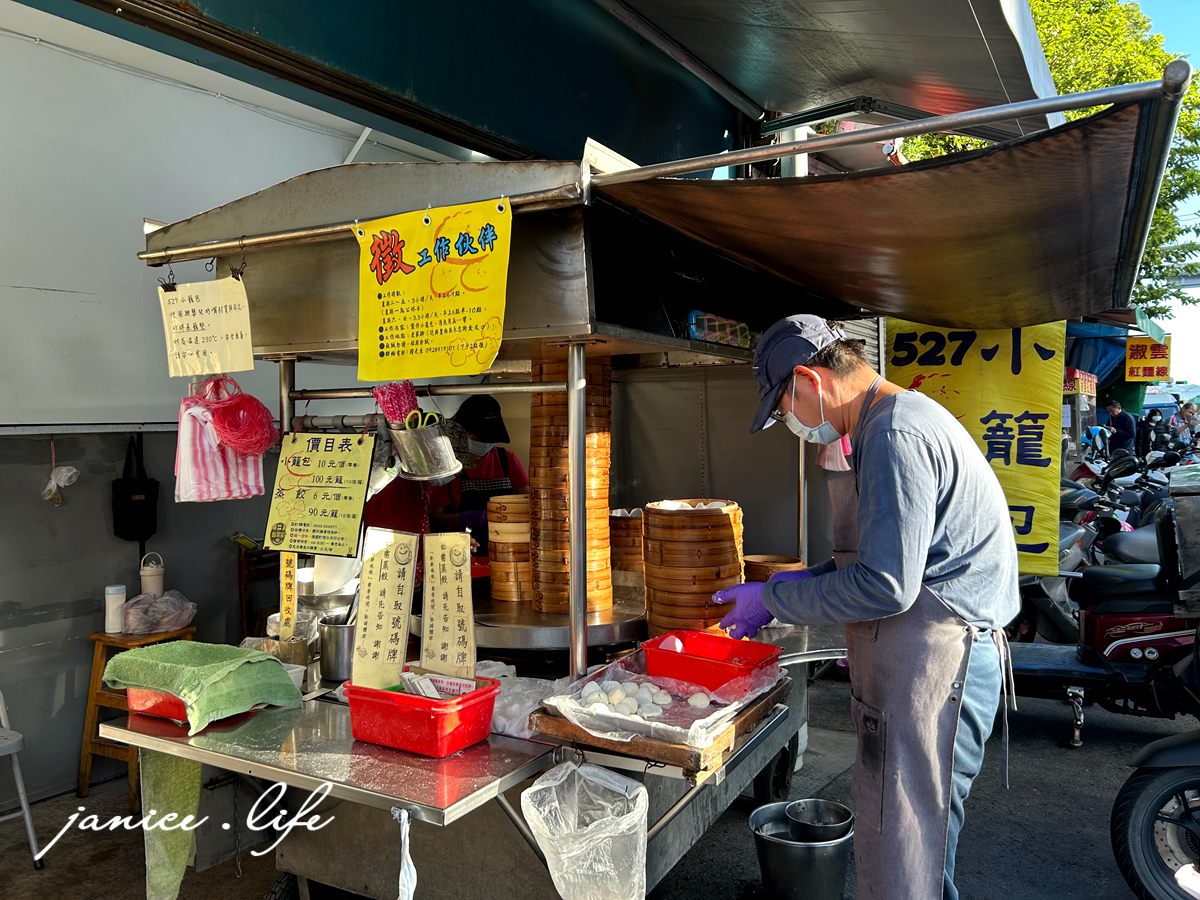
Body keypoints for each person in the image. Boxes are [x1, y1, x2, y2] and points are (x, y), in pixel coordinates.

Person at [712, 315, 1018, 900]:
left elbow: (886, 585)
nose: (791, 425)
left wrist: (773, 596)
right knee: (915, 837)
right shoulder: (894, 419)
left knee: (915, 846)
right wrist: (806, 580)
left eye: (783, 410)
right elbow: (878, 559)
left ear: (809, 379)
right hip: (928, 658)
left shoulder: (895, 434)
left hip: (940, 665)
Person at [430, 394, 528, 551]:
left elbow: (527, 505)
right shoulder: (448, 467)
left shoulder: (507, 460)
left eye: (489, 438)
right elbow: (434, 520)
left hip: (508, 552)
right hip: (463, 553)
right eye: (479, 438)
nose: (485, 444)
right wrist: (466, 519)